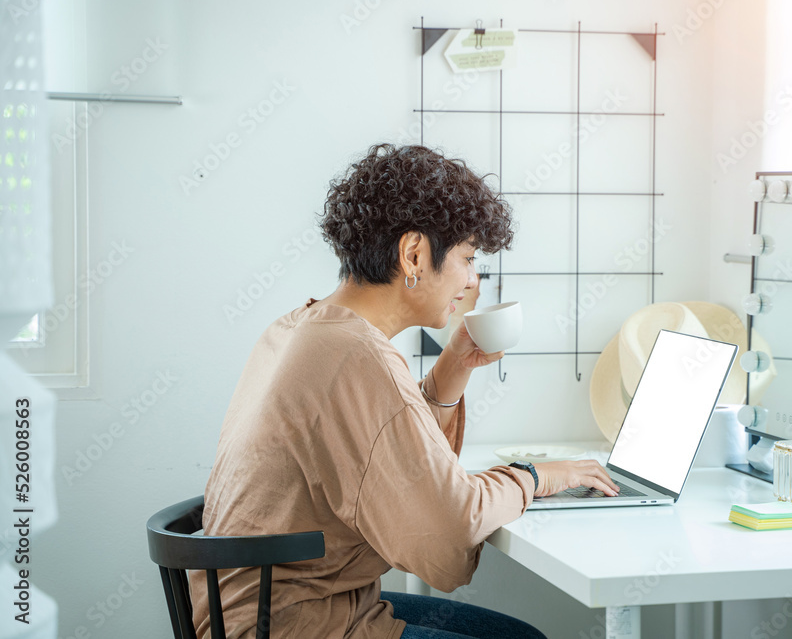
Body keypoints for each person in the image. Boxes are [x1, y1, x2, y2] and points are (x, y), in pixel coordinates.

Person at [191, 144, 619, 639]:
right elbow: (444, 538)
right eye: (466, 258)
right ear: (414, 253)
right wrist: (534, 477)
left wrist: (454, 365)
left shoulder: (301, 329)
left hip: (268, 611)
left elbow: (384, 451)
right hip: (295, 626)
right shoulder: (355, 355)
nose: (472, 281)